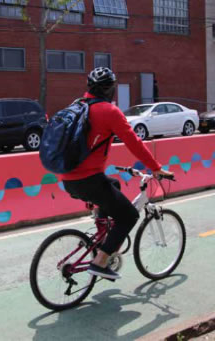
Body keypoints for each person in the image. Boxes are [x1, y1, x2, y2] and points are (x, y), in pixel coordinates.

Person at [61, 67, 174, 280]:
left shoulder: (76, 106)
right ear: (110, 89)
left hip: (68, 179)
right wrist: (156, 168)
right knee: (129, 215)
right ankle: (100, 261)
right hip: (89, 180)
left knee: (113, 185)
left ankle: (102, 231)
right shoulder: (108, 111)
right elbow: (135, 143)